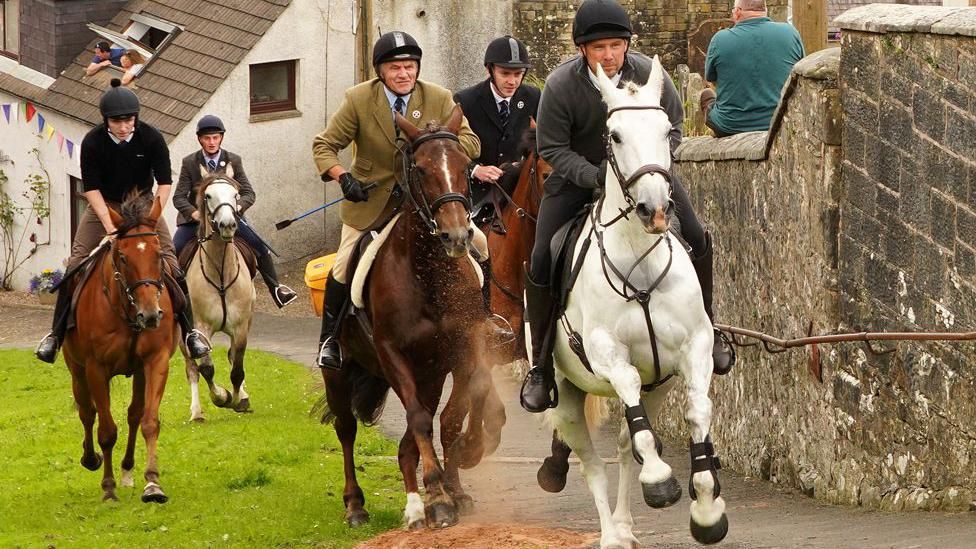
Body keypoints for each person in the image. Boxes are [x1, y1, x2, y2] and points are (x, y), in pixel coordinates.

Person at [519, 0, 736, 413]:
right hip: (576, 181)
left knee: (696, 234)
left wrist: (643, 166)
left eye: (616, 45)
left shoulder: (651, 76)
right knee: (542, 256)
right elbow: (551, 148)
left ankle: (711, 326)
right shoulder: (562, 86)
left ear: (627, 45)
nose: (609, 55)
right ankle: (541, 364)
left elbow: (672, 129)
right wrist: (599, 178)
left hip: (640, 178)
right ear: (582, 49)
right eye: (599, 47)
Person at [311, 31, 483, 370]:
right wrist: (342, 176)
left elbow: (471, 142)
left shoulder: (439, 97)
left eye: (409, 67)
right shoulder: (359, 100)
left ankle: (486, 320)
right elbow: (324, 145)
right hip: (371, 203)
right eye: (395, 68)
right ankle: (329, 340)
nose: (404, 74)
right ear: (381, 72)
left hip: (428, 202)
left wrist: (439, 145)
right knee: (344, 266)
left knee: (481, 249)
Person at [35, 79, 211, 363]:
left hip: (143, 205)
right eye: (117, 121)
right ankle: (55, 335)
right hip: (104, 206)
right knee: (76, 263)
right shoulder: (93, 142)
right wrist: (108, 225)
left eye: (129, 120)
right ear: (107, 121)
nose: (124, 126)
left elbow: (165, 182)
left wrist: (154, 215)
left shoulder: (151, 138)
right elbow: (90, 187)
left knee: (172, 264)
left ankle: (190, 333)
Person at [453, 35, 541, 336]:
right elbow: (451, 150)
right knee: (470, 245)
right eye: (506, 74)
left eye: (517, 74)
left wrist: (517, 168)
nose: (512, 81)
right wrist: (475, 169)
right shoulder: (466, 100)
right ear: (491, 70)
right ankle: (477, 309)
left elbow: (541, 144)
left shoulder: (533, 97)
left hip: (520, 188)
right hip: (479, 191)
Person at [172, 114, 298, 308]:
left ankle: (276, 290)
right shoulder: (189, 162)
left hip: (229, 217)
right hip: (197, 221)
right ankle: (176, 298)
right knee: (175, 249)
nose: (212, 142)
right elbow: (179, 197)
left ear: (221, 137)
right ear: (200, 139)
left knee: (259, 245)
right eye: (207, 138)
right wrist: (194, 213)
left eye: (215, 137)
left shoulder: (234, 160)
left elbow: (249, 192)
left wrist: (237, 208)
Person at [700, 0, 804, 137]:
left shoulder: (719, 39)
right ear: (764, 10)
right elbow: (800, 74)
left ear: (737, 12)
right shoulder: (790, 33)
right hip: (780, 121)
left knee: (706, 95)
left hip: (730, 126)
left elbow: (712, 79)